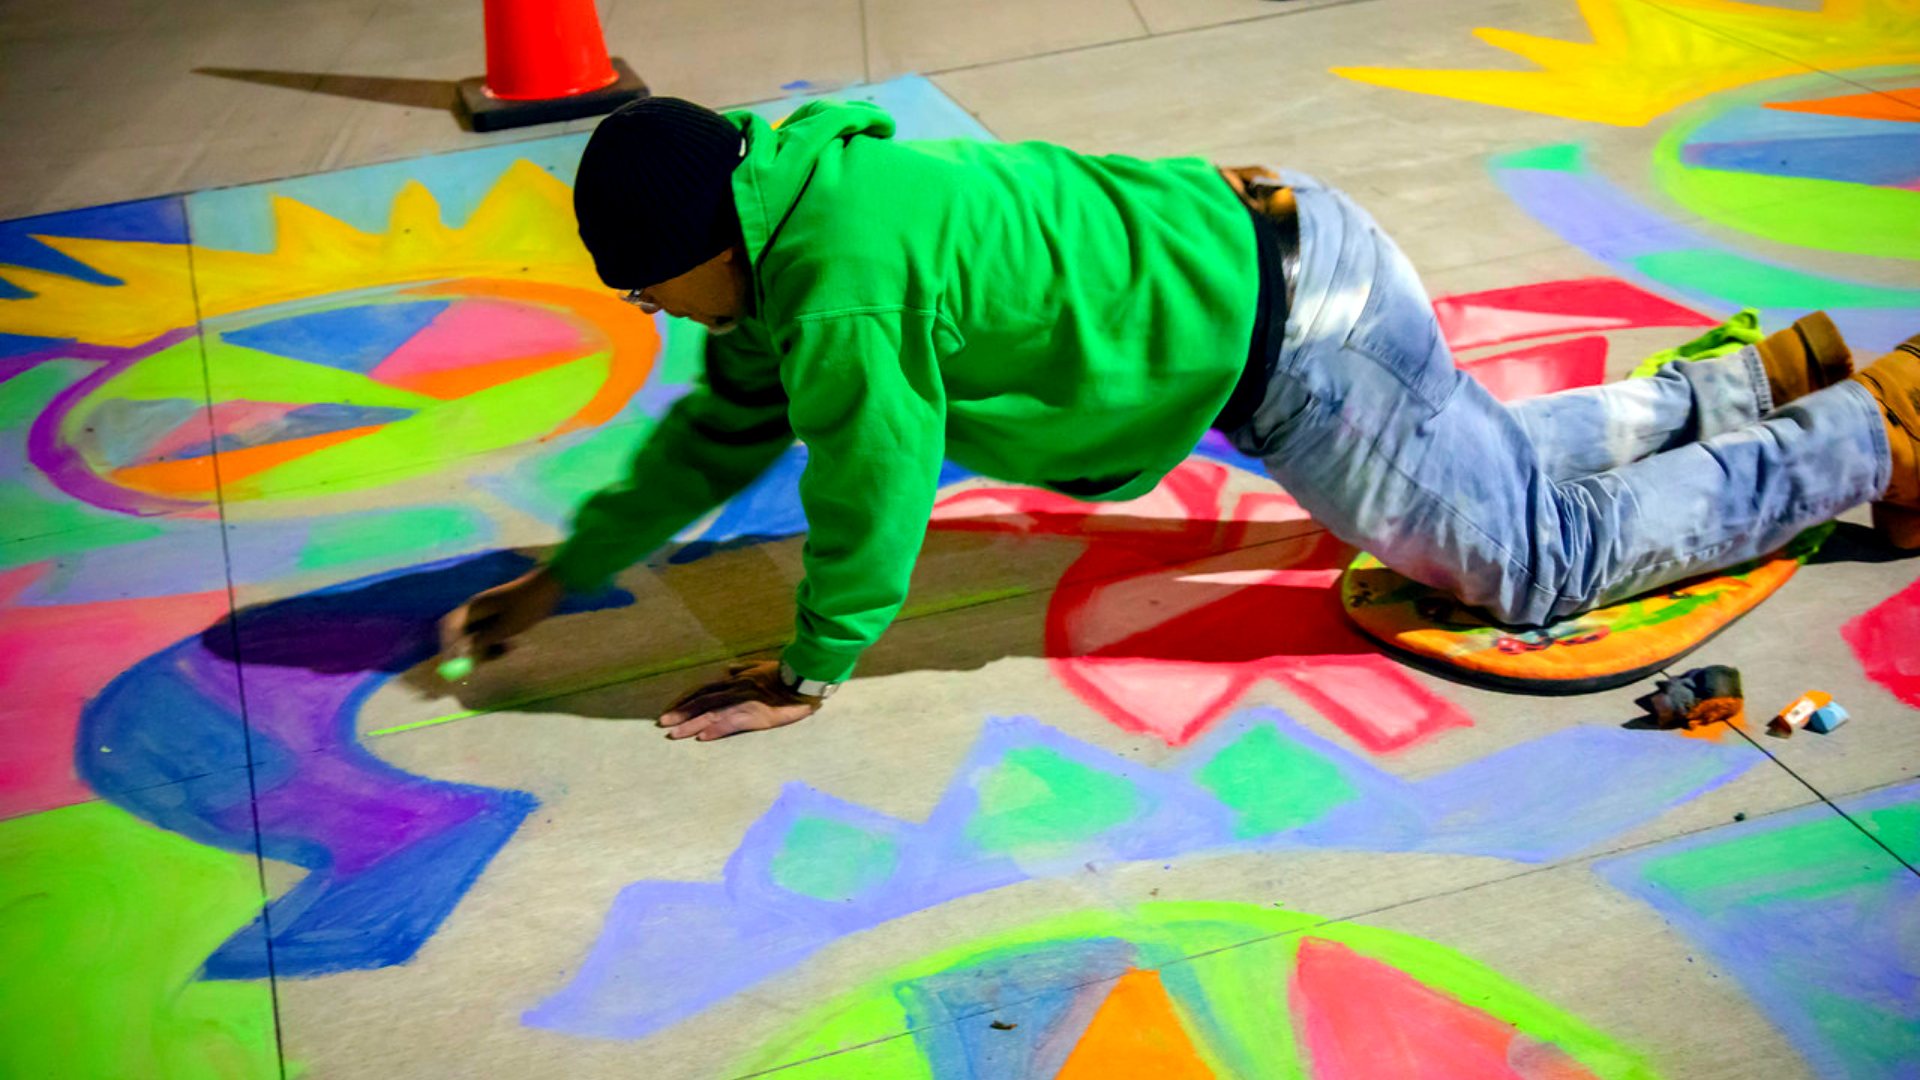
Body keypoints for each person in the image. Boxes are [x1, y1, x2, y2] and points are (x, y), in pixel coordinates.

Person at [439, 95, 1920, 741]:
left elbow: (872, 480)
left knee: (1530, 564)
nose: (661, 317)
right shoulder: (795, 207)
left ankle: (1880, 427)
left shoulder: (833, 288)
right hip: (1291, 246)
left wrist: (810, 667)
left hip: (1299, 342)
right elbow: (709, 441)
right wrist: (566, 578)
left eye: (650, 293)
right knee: (1471, 457)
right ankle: (1754, 384)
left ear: (704, 245)